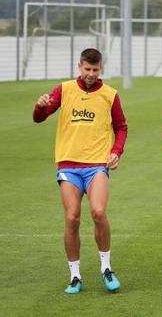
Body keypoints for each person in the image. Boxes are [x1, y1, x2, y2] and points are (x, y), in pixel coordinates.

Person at [33, 48, 127, 294]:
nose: (91, 74)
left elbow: (121, 127)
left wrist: (117, 150)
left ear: (101, 69)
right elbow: (40, 118)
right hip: (68, 165)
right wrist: (40, 106)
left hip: (97, 164)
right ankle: (75, 276)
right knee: (72, 218)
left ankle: (106, 268)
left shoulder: (110, 95)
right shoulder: (63, 90)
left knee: (98, 212)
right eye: (87, 69)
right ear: (79, 66)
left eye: (96, 70)